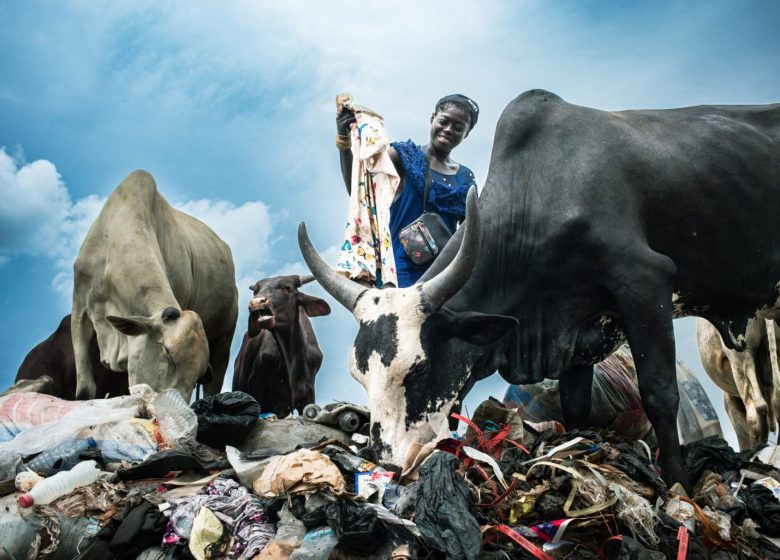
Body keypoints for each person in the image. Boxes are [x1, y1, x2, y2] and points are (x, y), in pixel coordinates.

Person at [336, 94, 479, 287]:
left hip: (444, 279)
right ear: (432, 119)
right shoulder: (403, 156)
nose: (448, 130)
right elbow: (359, 191)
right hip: (397, 276)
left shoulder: (466, 178)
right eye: (444, 121)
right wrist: (344, 141)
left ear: (466, 134)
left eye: (458, 127)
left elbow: (469, 235)